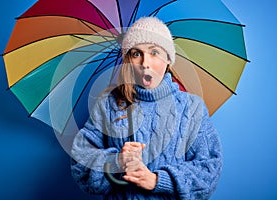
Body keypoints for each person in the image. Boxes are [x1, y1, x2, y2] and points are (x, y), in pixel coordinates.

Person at [70, 17, 222, 199]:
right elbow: (80, 163)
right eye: (136, 54)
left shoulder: (192, 108)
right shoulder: (109, 104)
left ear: (168, 59)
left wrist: (158, 180)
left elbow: (209, 170)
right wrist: (116, 161)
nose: (145, 63)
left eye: (155, 52)